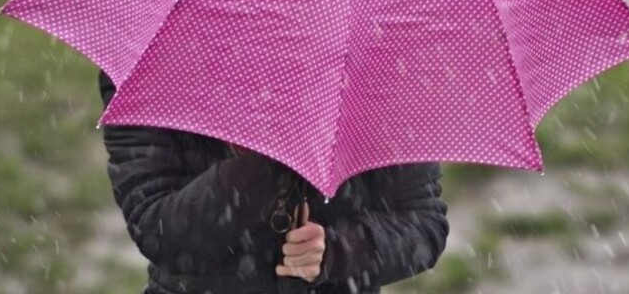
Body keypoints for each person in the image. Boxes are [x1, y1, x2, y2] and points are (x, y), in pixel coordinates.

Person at [98, 68, 450, 294]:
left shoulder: (380, 66)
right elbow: (160, 233)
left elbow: (422, 225)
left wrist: (336, 253)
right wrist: (271, 162)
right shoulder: (145, 70)